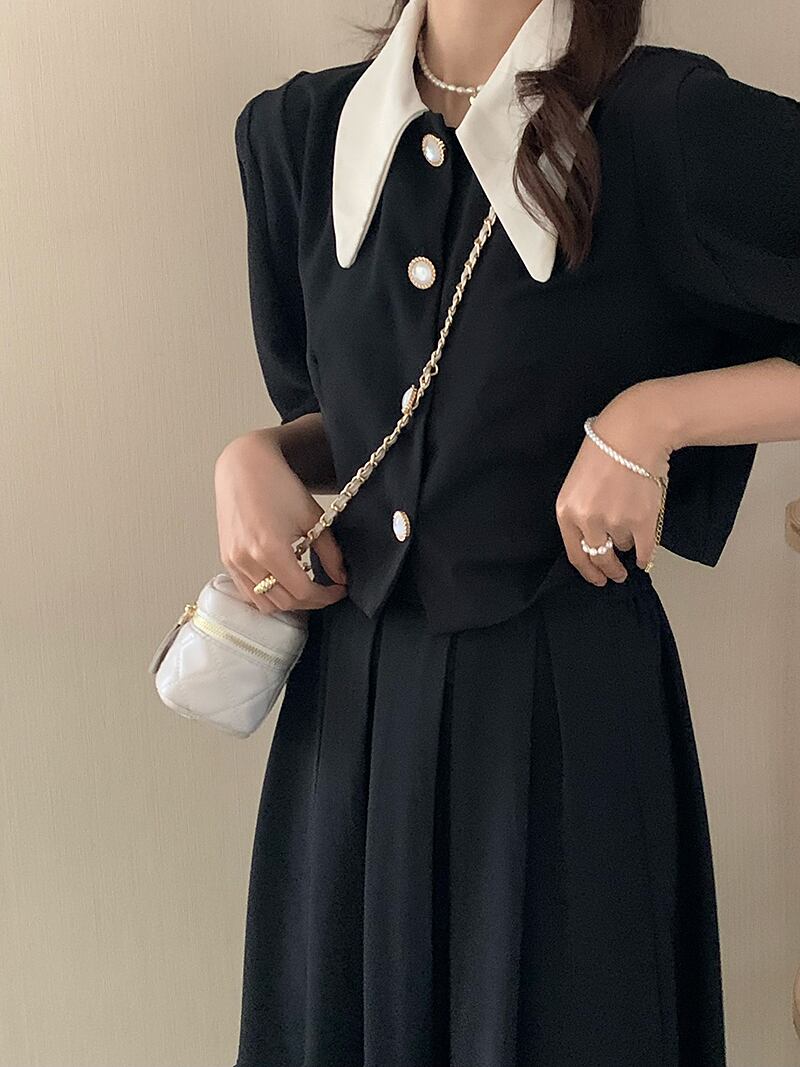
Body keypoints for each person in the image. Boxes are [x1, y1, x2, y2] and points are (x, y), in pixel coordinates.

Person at [216, 0, 800, 1062]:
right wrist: (256, 456)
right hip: (349, 735)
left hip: (566, 728)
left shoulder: (662, 123)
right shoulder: (300, 136)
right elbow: (391, 418)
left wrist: (657, 417)